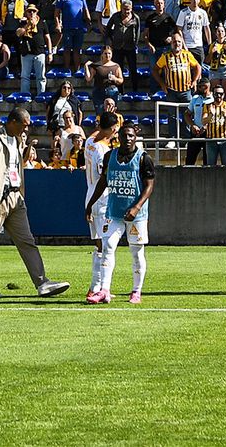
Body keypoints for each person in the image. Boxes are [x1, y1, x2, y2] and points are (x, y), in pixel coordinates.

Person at [0, 107, 70, 299]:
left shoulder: (17, 139)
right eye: (23, 126)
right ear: (12, 122)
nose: (25, 130)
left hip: (16, 198)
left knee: (27, 241)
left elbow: (19, 163)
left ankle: (42, 282)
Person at [86, 121, 156, 305]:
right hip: (114, 211)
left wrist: (136, 207)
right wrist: (90, 204)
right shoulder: (110, 156)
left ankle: (136, 291)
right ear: (119, 137)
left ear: (136, 137)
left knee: (136, 252)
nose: (127, 139)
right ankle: (104, 290)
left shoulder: (143, 158)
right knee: (107, 246)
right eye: (124, 136)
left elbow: (149, 186)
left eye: (131, 136)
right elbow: (103, 181)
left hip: (136, 215)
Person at [83, 111, 119, 301]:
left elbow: (94, 135)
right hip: (102, 197)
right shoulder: (103, 151)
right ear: (113, 129)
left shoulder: (89, 143)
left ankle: (94, 286)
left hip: (89, 194)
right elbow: (103, 177)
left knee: (99, 244)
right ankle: (100, 288)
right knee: (107, 246)